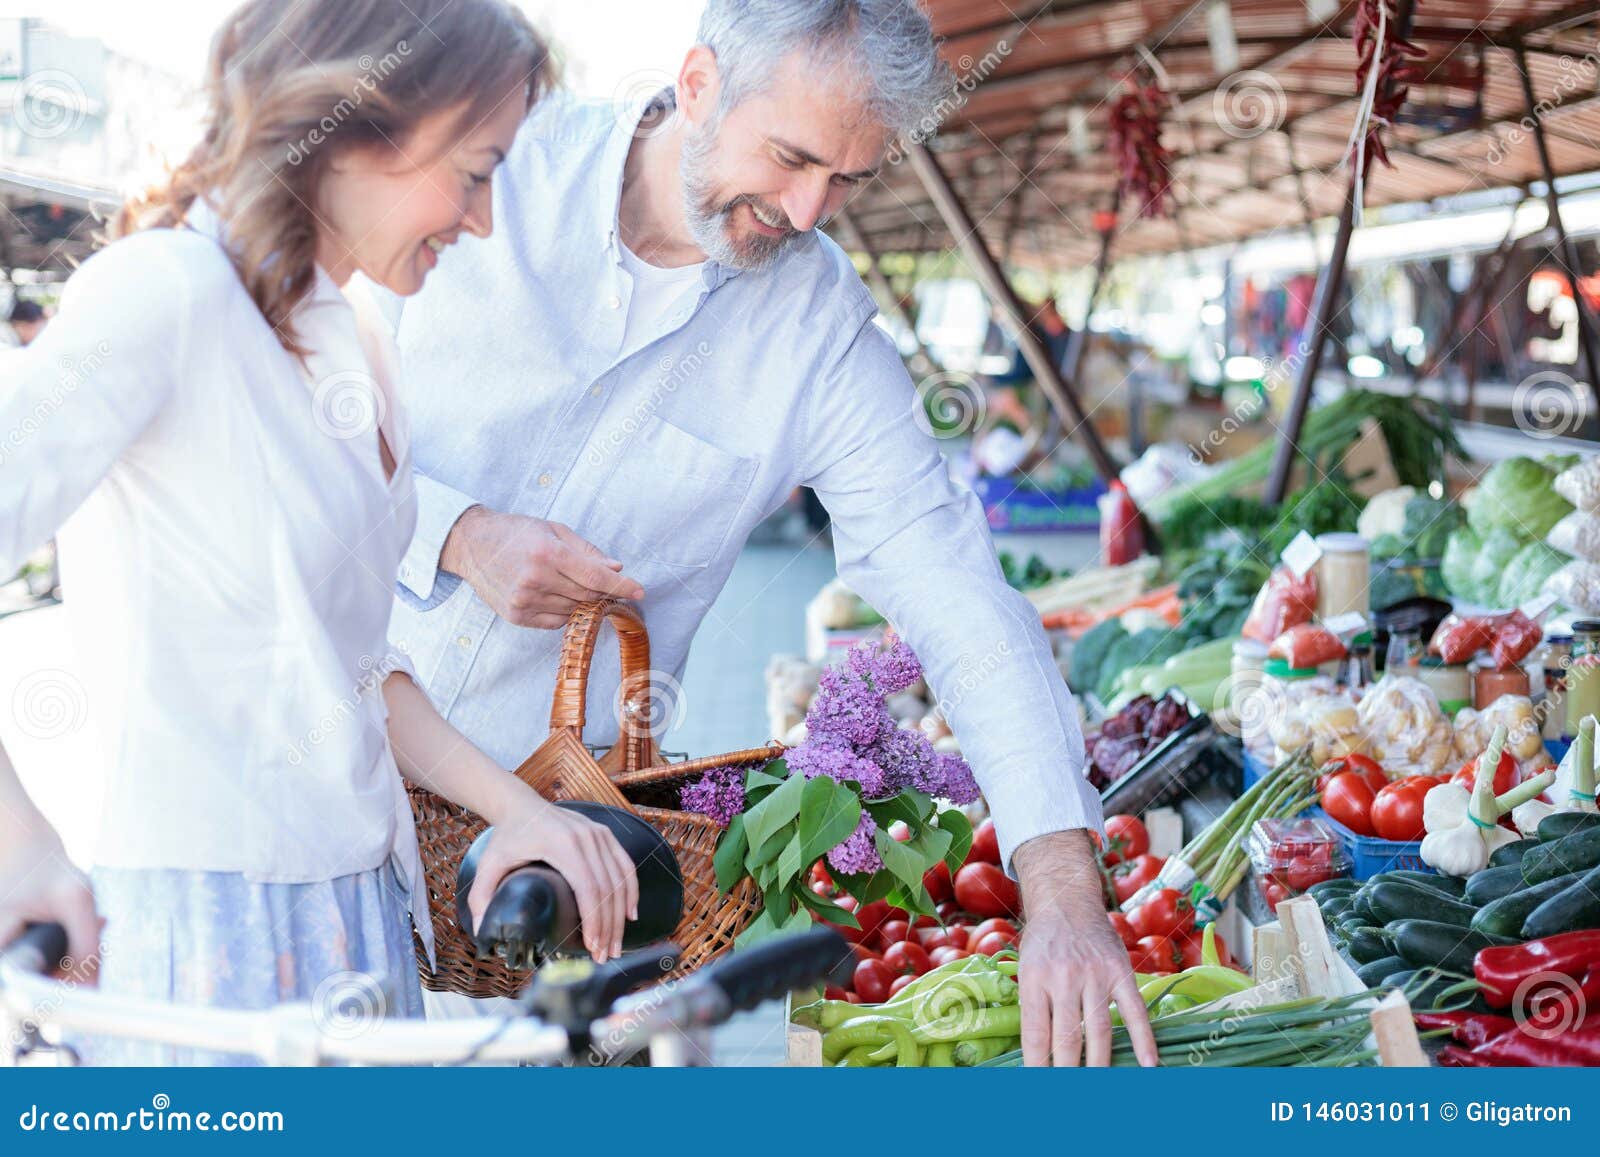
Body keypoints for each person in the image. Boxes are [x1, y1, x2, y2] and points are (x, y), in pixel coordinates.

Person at [390, 0, 1156, 1067]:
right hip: (322, 776)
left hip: (562, 866)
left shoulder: (816, 330)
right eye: (791, 158)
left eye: (847, 179)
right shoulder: (494, 177)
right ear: (698, 84)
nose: (806, 212)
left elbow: (951, 587)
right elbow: (296, 424)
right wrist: (456, 533)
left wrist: (1064, 889)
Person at [0, 0, 639, 1066]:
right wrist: (17, 845)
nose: (480, 221)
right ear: (357, 127)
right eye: (475, 172)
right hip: (208, 931)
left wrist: (519, 811)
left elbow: (352, 668)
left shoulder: (352, 343)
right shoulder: (167, 291)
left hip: (361, 919)